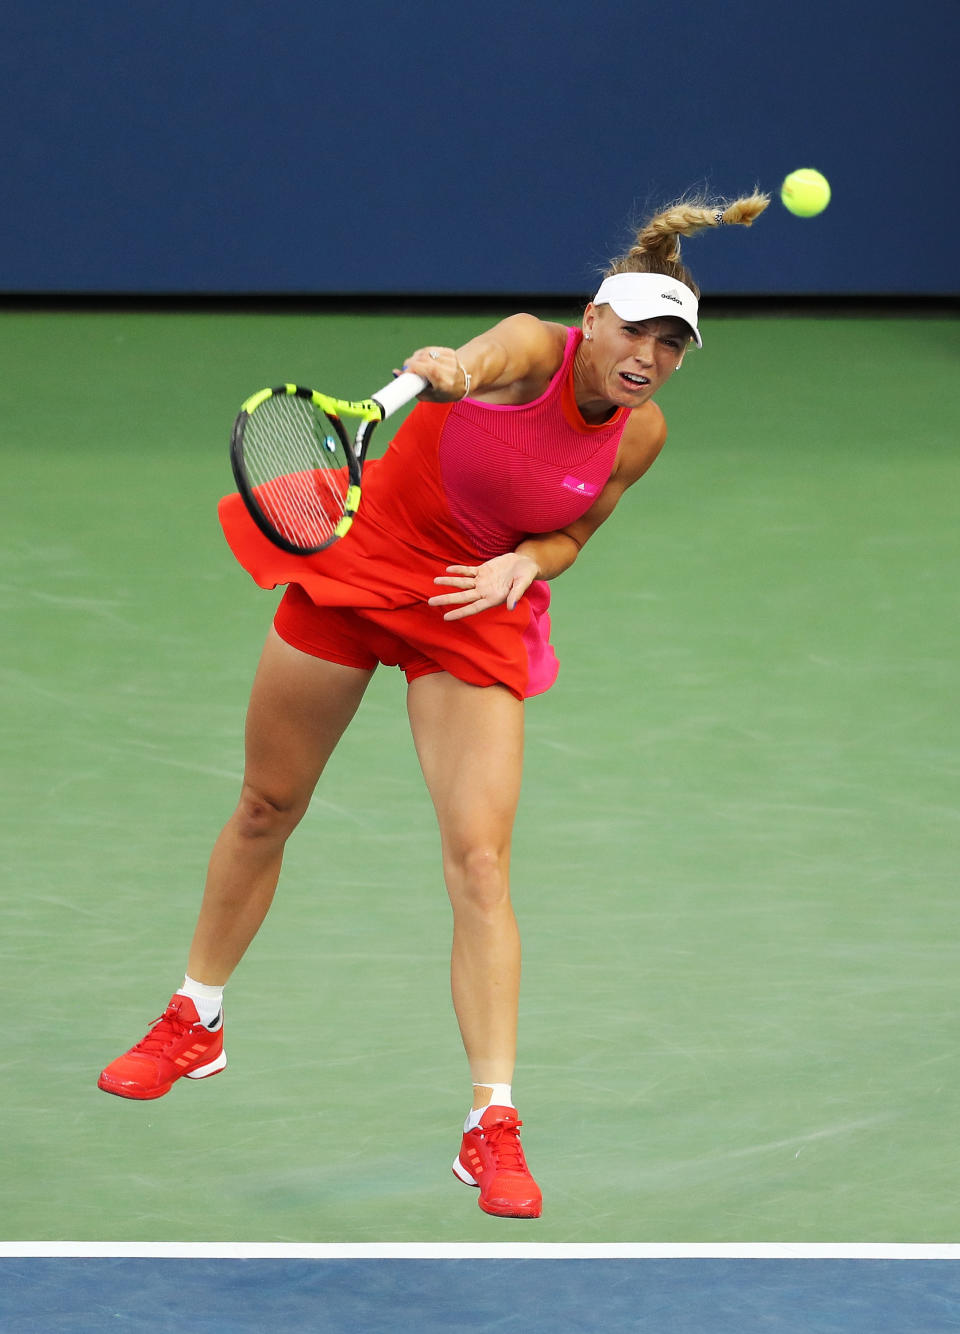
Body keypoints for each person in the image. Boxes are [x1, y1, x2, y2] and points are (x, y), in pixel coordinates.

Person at [98, 191, 769, 1219]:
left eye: (673, 344)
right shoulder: (527, 349)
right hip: (360, 568)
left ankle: (490, 1121)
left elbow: (576, 535)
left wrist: (525, 565)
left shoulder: (640, 436)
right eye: (636, 328)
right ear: (593, 318)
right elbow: (477, 361)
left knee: (480, 861)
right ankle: (196, 1017)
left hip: (471, 607)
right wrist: (448, 371)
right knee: (266, 805)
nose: (649, 355)